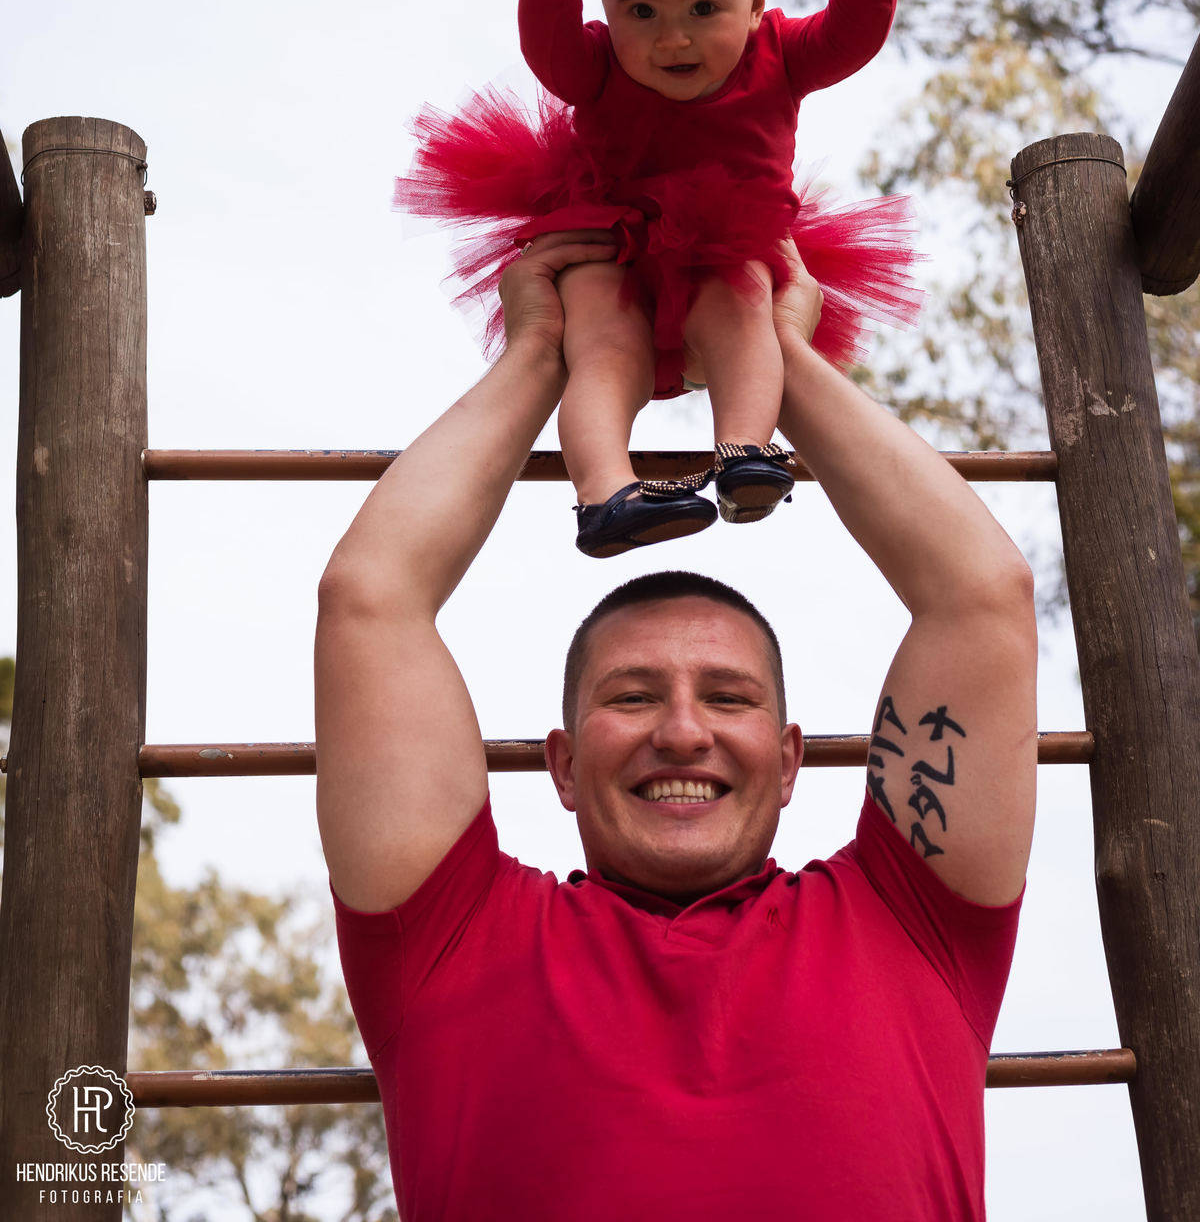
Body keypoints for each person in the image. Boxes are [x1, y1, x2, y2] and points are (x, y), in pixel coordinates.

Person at [316, 234, 1037, 1222]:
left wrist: (781, 356)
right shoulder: (449, 938)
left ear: (790, 762)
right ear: (562, 764)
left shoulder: (913, 921)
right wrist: (538, 352)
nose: (684, 731)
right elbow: (372, 597)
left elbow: (982, 596)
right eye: (632, 696)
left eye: (730, 698)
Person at [393, 0, 921, 558]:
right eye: (640, 11)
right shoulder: (599, 61)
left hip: (723, 248)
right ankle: (607, 496)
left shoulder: (782, 53)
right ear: (605, 8)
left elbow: (851, 38)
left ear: (759, 3)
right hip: (609, 235)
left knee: (740, 301)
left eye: (704, 9)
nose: (672, 38)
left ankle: (744, 455)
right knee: (603, 349)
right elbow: (546, 49)